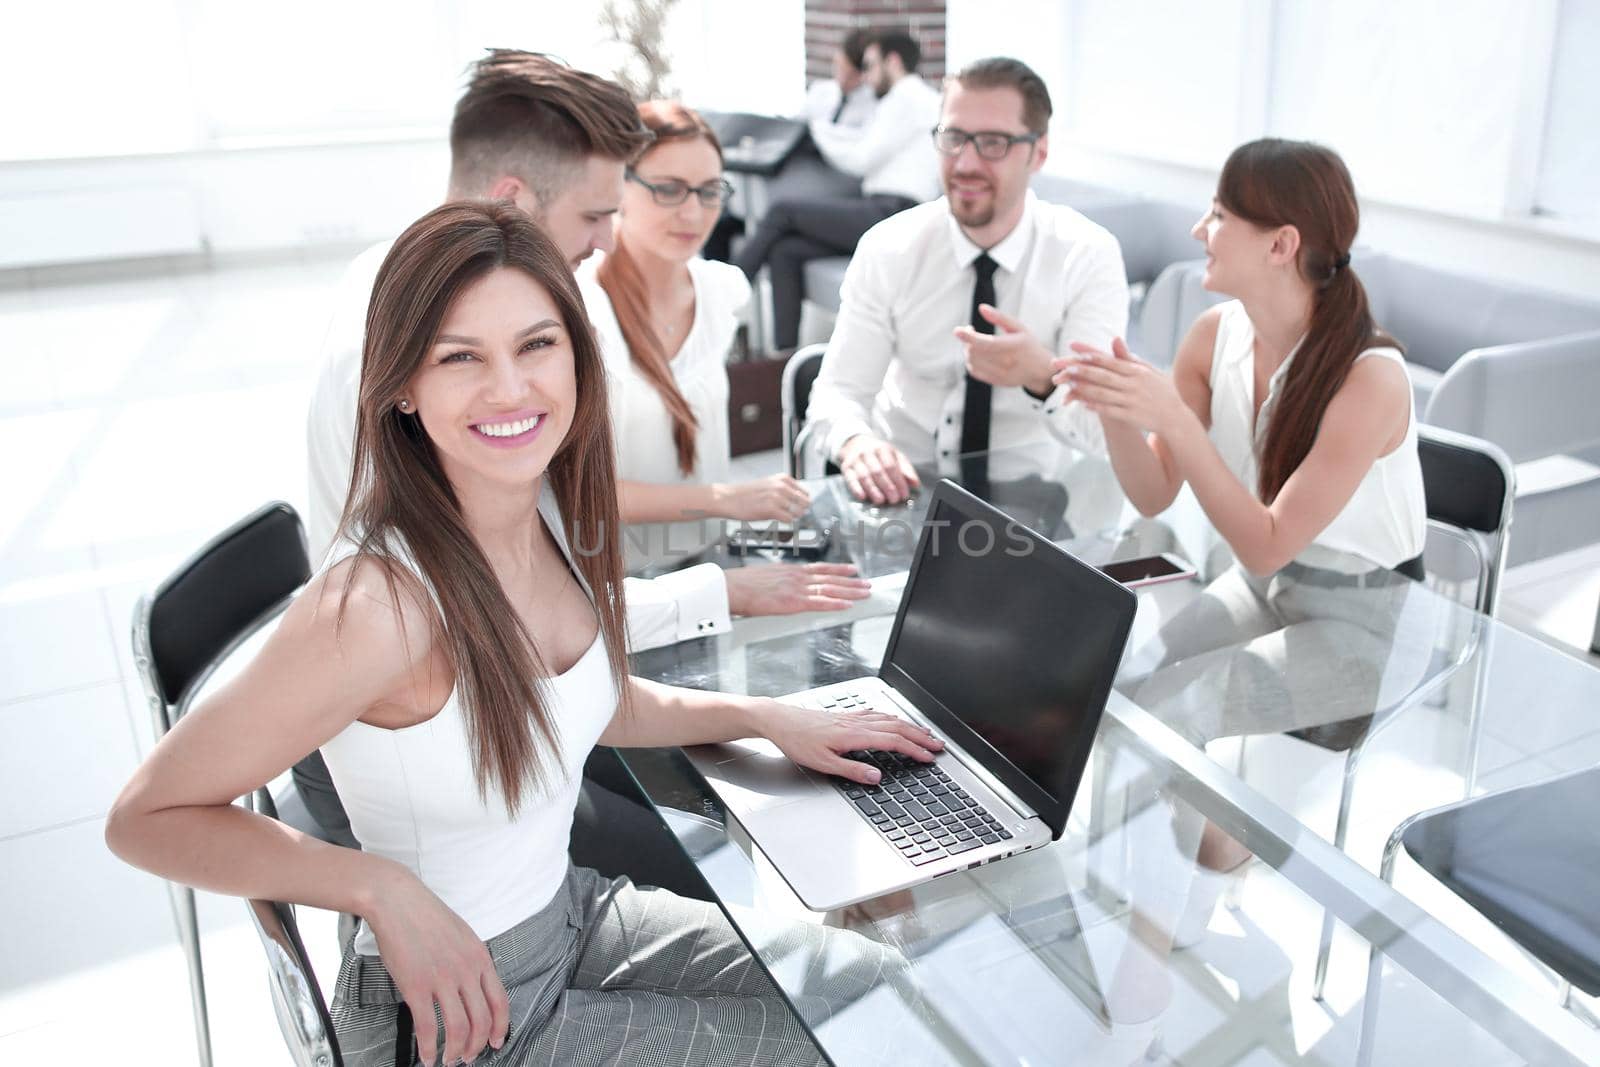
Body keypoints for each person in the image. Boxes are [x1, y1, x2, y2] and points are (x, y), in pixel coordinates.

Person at [108, 203, 930, 1067]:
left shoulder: (540, 510)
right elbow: (145, 816)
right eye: (460, 357)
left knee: (884, 987)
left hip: (572, 915)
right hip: (458, 1014)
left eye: (537, 345)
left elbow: (584, 697)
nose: (511, 389)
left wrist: (766, 717)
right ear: (400, 386)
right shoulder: (376, 603)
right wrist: (374, 885)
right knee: (841, 1046)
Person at [306, 50, 863, 648]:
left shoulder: (390, 270)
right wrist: (718, 595)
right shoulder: (425, 327)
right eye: (594, 216)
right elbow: (515, 614)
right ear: (512, 201)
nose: (603, 242)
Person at [1059, 138, 1427, 1003]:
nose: (1200, 229)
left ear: (1281, 242)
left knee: (1178, 710)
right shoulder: (1213, 331)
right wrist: (1116, 405)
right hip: (1266, 590)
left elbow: (1267, 539)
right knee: (1130, 684)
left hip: (1364, 622)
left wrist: (1175, 422)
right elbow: (1153, 490)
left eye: (1219, 214)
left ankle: (1140, 972)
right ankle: (1196, 863)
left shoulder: (1371, 377)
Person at [803, 57, 1130, 504]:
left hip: (1034, 507)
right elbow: (838, 392)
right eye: (954, 138)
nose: (966, 162)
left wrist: (1042, 377)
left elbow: (1101, 436)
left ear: (1039, 153)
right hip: (902, 494)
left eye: (993, 142)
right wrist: (856, 444)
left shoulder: (1087, 255)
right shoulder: (889, 247)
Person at [578, 101, 859, 582]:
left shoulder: (721, 292)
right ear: (618, 186)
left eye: (710, 191)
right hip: (610, 583)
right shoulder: (582, 309)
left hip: (710, 565)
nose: (693, 211)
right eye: (668, 190)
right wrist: (724, 499)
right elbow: (574, 494)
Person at [734, 28, 941, 351]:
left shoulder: (910, 98)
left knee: (783, 211)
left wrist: (815, 129)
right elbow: (861, 144)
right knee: (785, 251)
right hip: (881, 209)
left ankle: (724, 292)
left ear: (893, 60)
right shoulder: (901, 101)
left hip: (896, 213)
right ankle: (784, 360)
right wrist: (821, 131)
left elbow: (860, 158)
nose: (867, 76)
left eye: (871, 65)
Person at [803, 27, 878, 129]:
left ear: (863, 75)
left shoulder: (874, 105)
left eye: (848, 74)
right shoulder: (819, 91)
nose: (841, 79)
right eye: (838, 67)